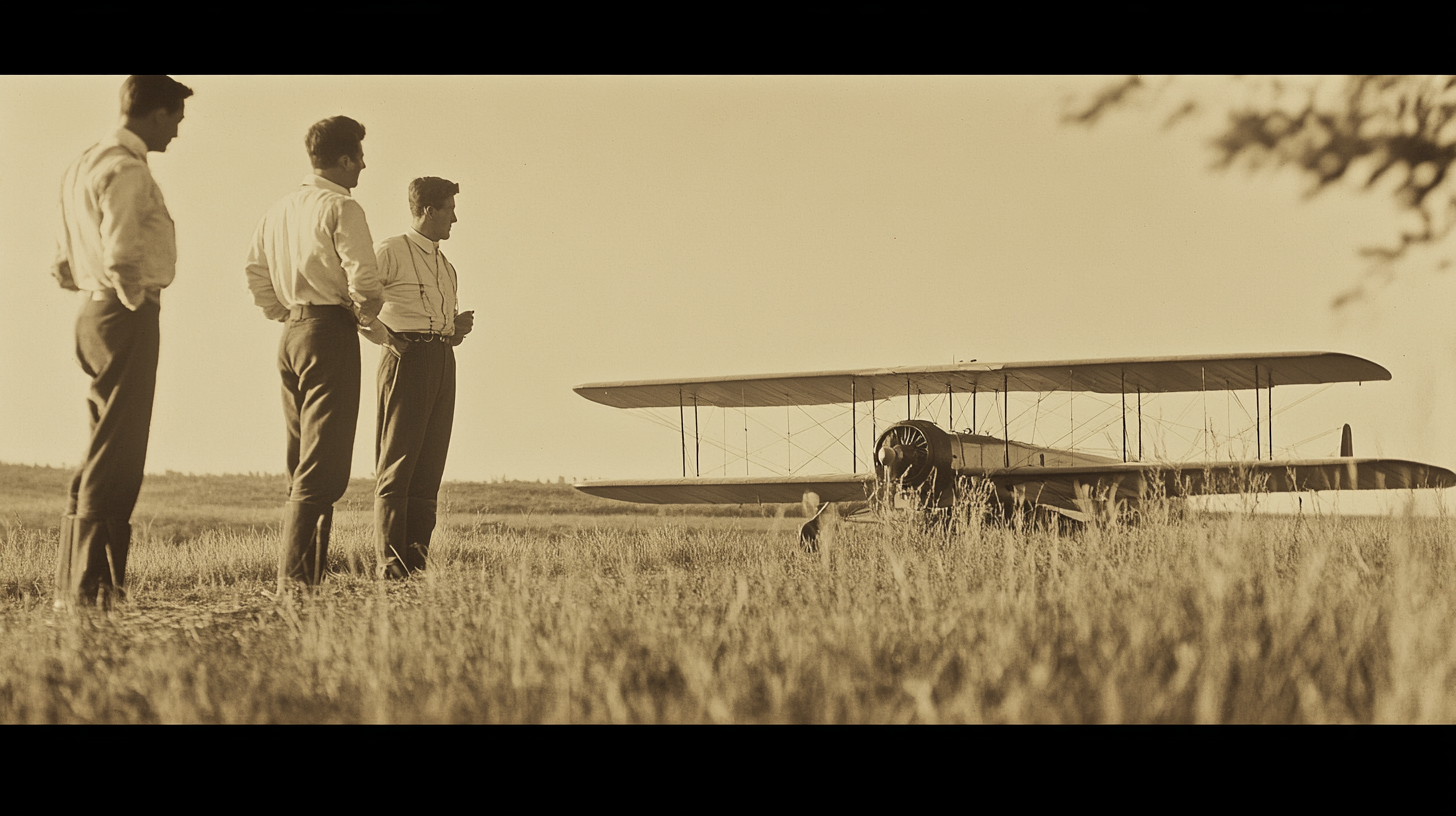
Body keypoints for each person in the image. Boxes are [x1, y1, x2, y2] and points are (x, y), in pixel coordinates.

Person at [52, 75, 193, 609]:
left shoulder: (82, 164)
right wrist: (136, 301)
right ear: (156, 113)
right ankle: (94, 591)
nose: (178, 131)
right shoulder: (127, 169)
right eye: (176, 118)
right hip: (124, 311)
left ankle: (75, 589)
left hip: (90, 311)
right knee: (121, 451)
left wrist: (102, 292)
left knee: (100, 447)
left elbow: (63, 265)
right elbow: (122, 254)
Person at [245, 116, 384, 591]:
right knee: (324, 461)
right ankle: (299, 580)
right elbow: (365, 279)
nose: (363, 166)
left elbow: (256, 274)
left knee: (300, 455)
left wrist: (283, 313)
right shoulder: (342, 208)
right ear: (344, 159)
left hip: (292, 333)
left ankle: (305, 576)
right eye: (359, 157)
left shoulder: (278, 210)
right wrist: (362, 315)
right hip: (329, 330)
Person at [361, 177, 473, 578]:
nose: (454, 218)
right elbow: (356, 299)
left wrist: (454, 330)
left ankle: (415, 565)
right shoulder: (391, 250)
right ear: (428, 210)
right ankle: (391, 567)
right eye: (449, 209)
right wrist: (385, 337)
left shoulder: (446, 265)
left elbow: (436, 319)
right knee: (399, 465)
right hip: (406, 359)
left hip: (441, 359)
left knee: (429, 468)